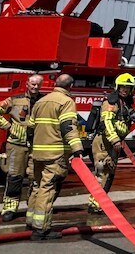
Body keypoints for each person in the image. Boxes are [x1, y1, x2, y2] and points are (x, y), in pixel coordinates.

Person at [28, 74, 85, 240]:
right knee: (48, 189)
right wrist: (77, 149)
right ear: (71, 86)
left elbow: (30, 128)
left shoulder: (40, 101)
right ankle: (41, 229)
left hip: (37, 153)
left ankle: (31, 220)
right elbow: (68, 127)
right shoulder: (66, 102)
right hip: (55, 154)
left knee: (37, 186)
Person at [0, 74, 44, 220]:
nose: (35, 87)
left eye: (38, 84)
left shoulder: (44, 101)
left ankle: (32, 207)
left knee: (35, 178)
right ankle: (9, 208)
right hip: (16, 145)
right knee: (15, 177)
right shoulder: (15, 100)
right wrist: (7, 126)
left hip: (36, 145)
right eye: (32, 84)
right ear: (27, 84)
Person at [87, 73, 135, 214]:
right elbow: (107, 122)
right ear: (117, 87)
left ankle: (99, 202)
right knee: (103, 172)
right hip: (105, 142)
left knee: (109, 173)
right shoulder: (111, 102)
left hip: (112, 142)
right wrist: (115, 139)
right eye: (122, 87)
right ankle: (95, 205)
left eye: (128, 87)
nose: (125, 90)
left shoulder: (124, 103)